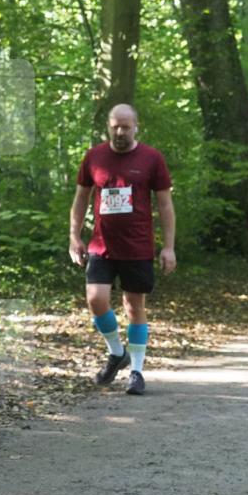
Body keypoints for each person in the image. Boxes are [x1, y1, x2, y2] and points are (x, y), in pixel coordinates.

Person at [69, 104, 176, 396]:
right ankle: (117, 353)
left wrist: (168, 247)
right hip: (101, 245)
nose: (120, 132)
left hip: (138, 245)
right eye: (115, 126)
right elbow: (81, 199)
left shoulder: (151, 158)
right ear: (108, 126)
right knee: (95, 299)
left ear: (136, 126)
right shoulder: (94, 157)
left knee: (133, 306)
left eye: (126, 126)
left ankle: (137, 372)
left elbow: (165, 204)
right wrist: (74, 237)